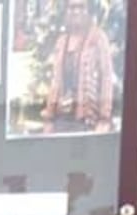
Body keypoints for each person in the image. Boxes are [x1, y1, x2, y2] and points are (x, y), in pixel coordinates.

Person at [40, 0, 116, 134]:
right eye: (72, 7)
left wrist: (104, 120)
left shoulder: (98, 38)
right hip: (62, 120)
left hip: (88, 121)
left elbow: (107, 78)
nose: (76, 11)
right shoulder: (62, 41)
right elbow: (55, 82)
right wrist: (49, 119)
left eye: (81, 7)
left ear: (89, 10)